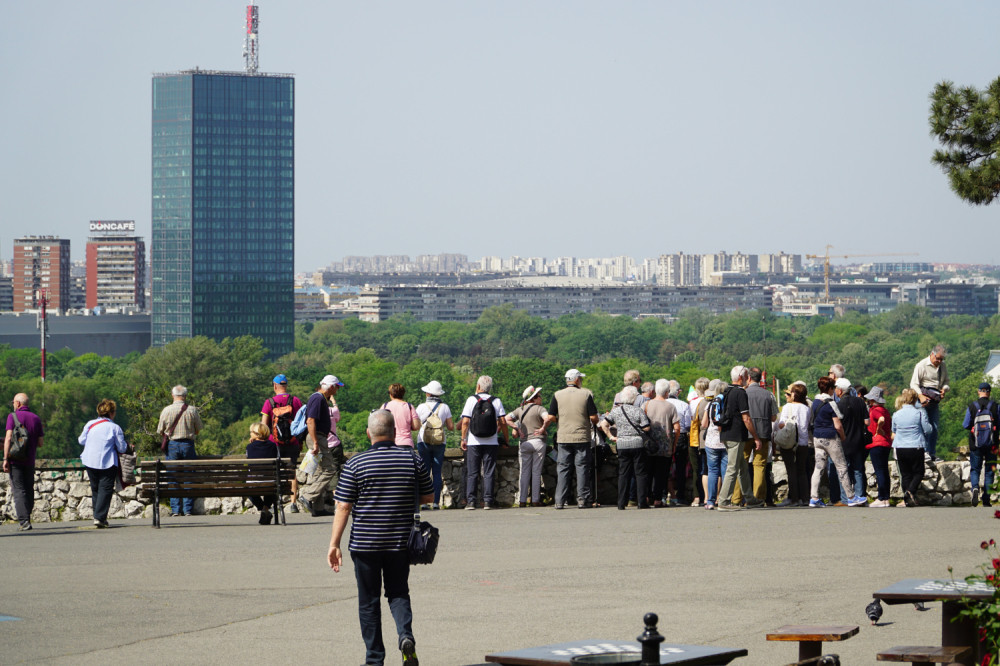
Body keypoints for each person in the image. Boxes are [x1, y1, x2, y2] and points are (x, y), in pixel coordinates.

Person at [328, 409, 432, 666]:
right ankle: (405, 637)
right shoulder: (413, 460)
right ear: (395, 433)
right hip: (399, 542)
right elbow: (428, 497)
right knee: (398, 593)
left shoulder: (355, 463)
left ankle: (374, 659)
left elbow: (343, 506)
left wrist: (334, 544)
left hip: (365, 544)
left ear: (368, 434)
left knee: (369, 601)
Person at [539, 369, 599, 509]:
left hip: (563, 436)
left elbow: (551, 416)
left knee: (563, 469)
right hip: (581, 437)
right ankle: (583, 499)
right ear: (577, 379)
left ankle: (559, 500)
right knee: (582, 468)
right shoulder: (585, 394)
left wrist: (562, 420)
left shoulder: (557, 395)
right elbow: (594, 417)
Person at [809, 377, 864, 508]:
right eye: (833, 388)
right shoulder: (831, 403)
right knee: (842, 467)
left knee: (818, 468)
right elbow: (838, 425)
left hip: (817, 438)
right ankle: (851, 497)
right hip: (830, 438)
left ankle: (814, 497)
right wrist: (843, 437)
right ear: (830, 389)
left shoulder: (815, 402)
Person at [717, 366, 765, 511]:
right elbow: (746, 418)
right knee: (732, 468)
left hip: (726, 433)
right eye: (745, 375)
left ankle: (750, 499)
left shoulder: (726, 391)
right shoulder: (740, 393)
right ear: (741, 377)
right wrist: (756, 437)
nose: (747, 378)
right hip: (736, 435)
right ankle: (724, 501)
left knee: (742, 468)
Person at [78, 399, 130, 529]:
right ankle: (100, 517)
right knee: (105, 490)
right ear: (111, 413)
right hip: (108, 462)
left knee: (96, 489)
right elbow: (122, 448)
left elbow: (81, 440)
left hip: (90, 460)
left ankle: (98, 516)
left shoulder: (90, 424)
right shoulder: (114, 427)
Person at [459, 375, 508, 510]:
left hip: (474, 441)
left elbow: (465, 421)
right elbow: (503, 422)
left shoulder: (471, 400)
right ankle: (487, 501)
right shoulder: (496, 401)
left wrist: (464, 439)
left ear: (478, 387)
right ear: (489, 388)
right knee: (488, 472)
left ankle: (471, 502)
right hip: (491, 442)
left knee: (472, 472)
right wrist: (506, 438)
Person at [299, 375, 344, 518]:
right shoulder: (318, 399)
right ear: (331, 387)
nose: (337, 389)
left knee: (319, 470)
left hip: (318, 436)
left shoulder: (320, 398)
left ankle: (318, 508)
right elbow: (310, 420)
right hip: (317, 437)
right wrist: (316, 442)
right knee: (330, 468)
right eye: (337, 386)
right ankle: (307, 495)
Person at [601, 385, 652, 510]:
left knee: (623, 473)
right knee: (640, 473)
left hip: (622, 444)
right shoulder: (638, 410)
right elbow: (646, 427)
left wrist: (611, 437)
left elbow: (604, 424)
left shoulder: (616, 411)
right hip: (637, 443)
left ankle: (621, 503)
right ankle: (641, 502)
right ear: (634, 398)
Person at [156, 385, 204, 517]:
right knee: (189, 476)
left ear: (173, 395)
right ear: (185, 396)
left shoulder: (166, 410)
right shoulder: (192, 410)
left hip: (172, 444)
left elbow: (160, 430)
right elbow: (198, 429)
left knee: (173, 477)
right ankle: (188, 509)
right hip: (188, 444)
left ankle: (176, 510)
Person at [733, 367, 777, 506]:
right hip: (763, 433)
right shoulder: (768, 394)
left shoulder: (743, 393)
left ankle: (736, 498)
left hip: (745, 433)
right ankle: (758, 497)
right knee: (760, 466)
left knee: (741, 466)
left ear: (749, 378)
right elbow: (774, 417)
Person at [261, 374, 304, 512]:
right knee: (292, 472)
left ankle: (276, 502)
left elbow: (263, 426)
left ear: (274, 386)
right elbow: (302, 423)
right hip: (292, 443)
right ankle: (293, 504)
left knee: (276, 472)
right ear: (286, 386)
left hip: (274, 444)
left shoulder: (269, 402)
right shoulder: (295, 401)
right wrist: (300, 441)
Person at [3, 392, 44, 531]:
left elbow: (8, 438)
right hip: (30, 460)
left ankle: (24, 521)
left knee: (19, 490)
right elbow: (40, 443)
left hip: (15, 460)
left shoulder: (12, 416)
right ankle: (27, 515)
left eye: (13, 402)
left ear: (18, 403)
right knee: (28, 489)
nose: (13, 405)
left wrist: (5, 458)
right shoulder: (36, 418)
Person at [505, 386, 549, 508]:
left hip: (524, 443)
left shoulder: (520, 409)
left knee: (524, 472)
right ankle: (535, 500)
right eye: (539, 396)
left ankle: (522, 500)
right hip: (538, 442)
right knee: (536, 472)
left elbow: (506, 419)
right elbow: (547, 418)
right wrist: (542, 429)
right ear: (534, 398)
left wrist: (517, 428)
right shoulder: (540, 409)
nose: (541, 398)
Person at [415, 380, 454, 510]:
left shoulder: (421, 407)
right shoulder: (445, 407)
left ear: (428, 393)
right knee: (437, 473)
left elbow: (415, 426)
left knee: (425, 472)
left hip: (423, 441)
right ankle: (436, 502)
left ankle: (424, 502)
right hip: (439, 442)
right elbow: (451, 427)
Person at [892, 388, 932, 507]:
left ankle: (907, 498)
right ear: (915, 400)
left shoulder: (896, 414)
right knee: (919, 472)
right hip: (915, 445)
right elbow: (928, 429)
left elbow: (894, 430)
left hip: (900, 446)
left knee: (905, 474)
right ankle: (910, 492)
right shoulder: (919, 412)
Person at [910, 344, 950, 462]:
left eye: (941, 359)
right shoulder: (921, 365)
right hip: (921, 400)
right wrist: (921, 396)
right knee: (925, 427)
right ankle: (923, 452)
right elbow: (913, 384)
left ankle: (931, 453)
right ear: (932, 354)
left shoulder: (943, 366)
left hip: (934, 400)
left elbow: (946, 381)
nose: (939, 361)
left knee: (935, 427)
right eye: (937, 358)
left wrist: (944, 389)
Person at [643, 379, 679, 507]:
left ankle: (647, 497)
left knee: (648, 472)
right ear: (667, 392)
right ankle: (658, 499)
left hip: (649, 445)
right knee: (661, 474)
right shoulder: (670, 406)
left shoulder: (646, 405)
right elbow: (677, 428)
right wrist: (674, 443)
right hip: (665, 446)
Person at [775, 383, 812, 507]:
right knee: (802, 471)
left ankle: (794, 499)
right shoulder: (807, 409)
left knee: (791, 471)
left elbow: (781, 424)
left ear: (794, 395)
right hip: (803, 442)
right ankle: (805, 498)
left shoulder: (787, 407)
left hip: (789, 442)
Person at [835, 378, 870, 505]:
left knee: (843, 470)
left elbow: (836, 425)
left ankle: (846, 498)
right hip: (859, 440)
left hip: (843, 441)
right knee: (858, 470)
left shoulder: (838, 405)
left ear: (840, 391)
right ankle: (861, 496)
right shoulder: (860, 403)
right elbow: (867, 422)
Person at [963, 382, 997, 508]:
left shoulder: (972, 406)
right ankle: (986, 498)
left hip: (975, 444)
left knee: (975, 469)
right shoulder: (995, 406)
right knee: (989, 471)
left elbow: (966, 425)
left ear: (978, 392)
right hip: (992, 444)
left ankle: (975, 488)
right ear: (989, 392)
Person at [864, 387, 893, 508]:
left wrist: (878, 428)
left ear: (873, 400)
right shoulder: (885, 410)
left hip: (877, 443)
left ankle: (882, 498)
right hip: (886, 443)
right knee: (884, 471)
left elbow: (881, 419)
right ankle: (886, 498)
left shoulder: (875, 410)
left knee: (879, 471)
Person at [246, 422, 279, 525]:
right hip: (271, 480)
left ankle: (262, 508)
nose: (250, 434)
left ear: (257, 434)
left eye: (251, 432)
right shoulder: (273, 446)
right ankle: (265, 509)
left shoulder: (249, 447)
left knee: (248, 489)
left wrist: (252, 444)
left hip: (254, 481)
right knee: (271, 487)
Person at [702, 381, 728, 510]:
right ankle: (724, 499)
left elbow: (704, 424)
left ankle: (710, 501)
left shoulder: (711, 404)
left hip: (711, 441)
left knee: (712, 471)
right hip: (725, 441)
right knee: (725, 471)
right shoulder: (728, 404)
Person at [666, 380, 693, 505]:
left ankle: (661, 495)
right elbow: (688, 425)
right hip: (680, 436)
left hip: (664, 436)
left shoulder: (663, 403)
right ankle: (680, 496)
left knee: (664, 467)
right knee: (681, 468)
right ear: (679, 392)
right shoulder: (683, 405)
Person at [687, 378, 710, 507]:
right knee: (708, 468)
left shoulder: (692, 403)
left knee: (696, 469)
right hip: (707, 436)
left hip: (694, 437)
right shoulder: (708, 401)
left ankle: (697, 496)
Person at [382, 384, 420, 448]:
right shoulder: (409, 406)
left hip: (390, 443)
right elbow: (416, 426)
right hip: (406, 443)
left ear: (391, 394)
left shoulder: (385, 406)